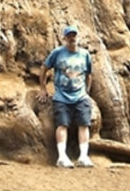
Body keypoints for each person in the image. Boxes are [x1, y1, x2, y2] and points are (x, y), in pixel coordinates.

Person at [38, 25, 94, 168]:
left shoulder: (85, 54)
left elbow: (89, 74)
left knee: (84, 124)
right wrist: (43, 89)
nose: (72, 38)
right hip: (61, 97)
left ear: (78, 37)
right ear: (64, 38)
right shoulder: (57, 53)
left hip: (80, 96)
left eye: (74, 35)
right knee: (62, 124)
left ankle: (83, 156)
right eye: (69, 36)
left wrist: (87, 92)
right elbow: (44, 68)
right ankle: (62, 157)